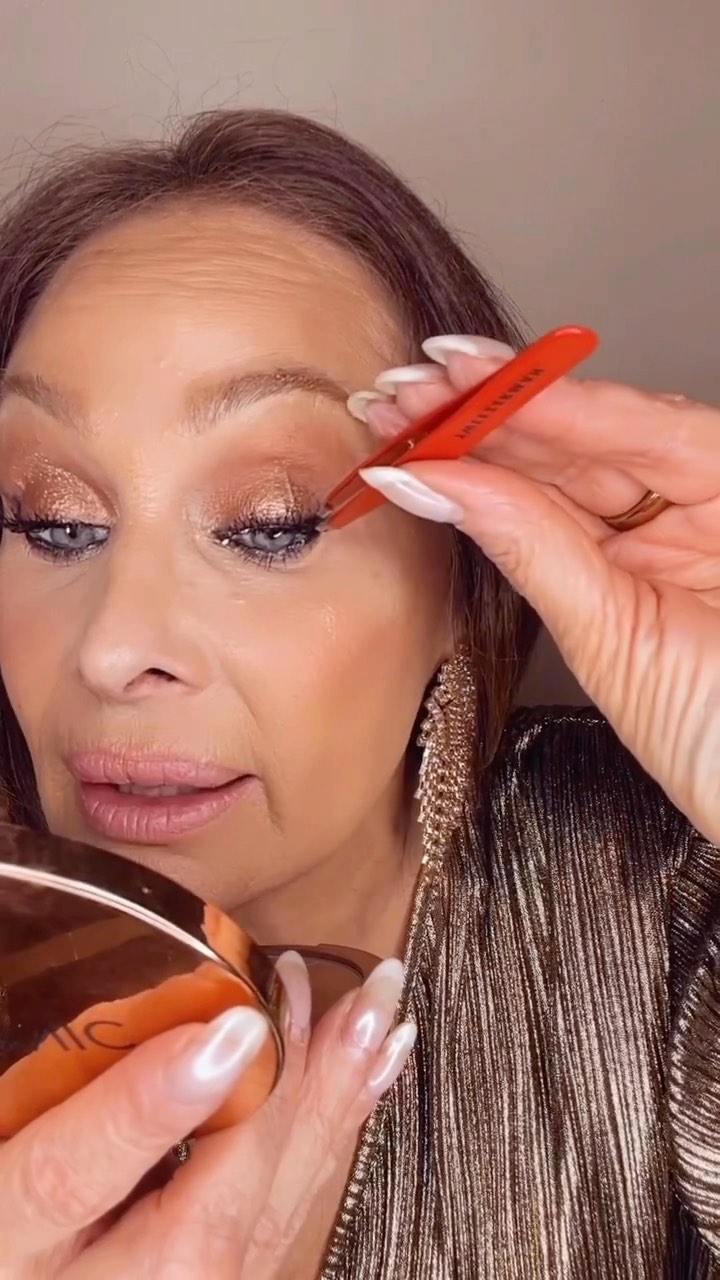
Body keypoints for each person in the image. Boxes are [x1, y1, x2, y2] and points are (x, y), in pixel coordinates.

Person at [0, 108, 717, 1280]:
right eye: (52, 521)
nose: (115, 648)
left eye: (271, 522)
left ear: (466, 577)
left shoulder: (667, 900)